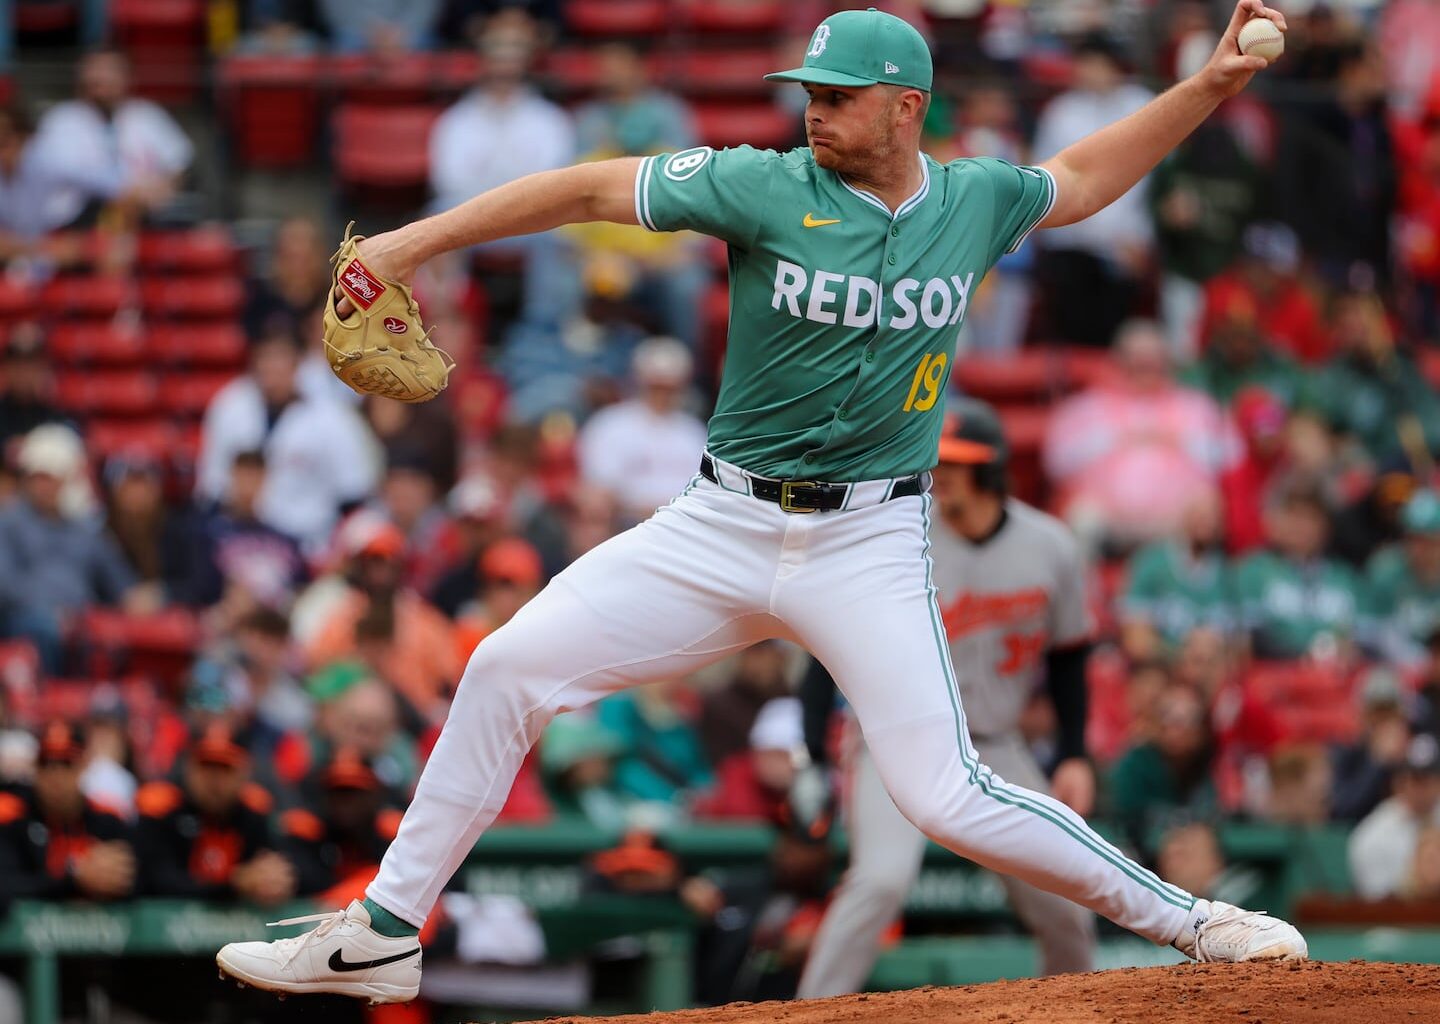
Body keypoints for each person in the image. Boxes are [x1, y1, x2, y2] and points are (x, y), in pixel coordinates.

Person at [217, 6, 1306, 1004]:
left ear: (906, 108)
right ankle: (383, 931)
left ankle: (1194, 922)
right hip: (722, 524)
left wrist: (1209, 83)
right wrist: (407, 244)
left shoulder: (972, 201)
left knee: (943, 794)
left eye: (837, 96)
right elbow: (590, 190)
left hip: (870, 537)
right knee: (505, 666)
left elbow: (1083, 176)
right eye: (809, 92)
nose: (813, 111)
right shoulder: (762, 184)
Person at [798, 402, 1096, 996]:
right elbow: (823, 651)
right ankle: (811, 1009)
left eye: (960, 463)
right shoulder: (899, 535)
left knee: (1065, 898)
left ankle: (1077, 1008)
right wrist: (811, 753)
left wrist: (1073, 752)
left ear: (994, 469)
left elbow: (1070, 658)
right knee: (880, 882)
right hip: (895, 740)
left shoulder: (1051, 546)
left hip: (995, 745)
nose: (944, 473)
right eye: (941, 461)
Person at [1043, 320, 1242, 550]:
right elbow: (1056, 462)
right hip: (1108, 515)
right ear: (1119, 361)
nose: (1145, 368)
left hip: (1177, 517)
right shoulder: (1087, 407)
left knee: (1207, 507)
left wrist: (1182, 442)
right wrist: (1112, 439)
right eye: (1137, 361)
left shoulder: (1196, 406)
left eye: (1153, 361)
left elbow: (1231, 457)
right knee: (1082, 518)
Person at [195, 330, 381, 554]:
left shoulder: (332, 417)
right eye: (266, 358)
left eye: (281, 358)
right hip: (241, 544)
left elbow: (354, 493)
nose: (273, 368)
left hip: (310, 545)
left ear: (298, 363)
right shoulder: (231, 406)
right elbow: (213, 487)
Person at [1032, 34, 1156, 349]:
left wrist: (1140, 237)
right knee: (1070, 339)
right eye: (1084, 64)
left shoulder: (1141, 106)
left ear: (1114, 67)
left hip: (1124, 248)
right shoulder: (1062, 112)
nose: (1089, 72)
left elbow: (1153, 181)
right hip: (1070, 245)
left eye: (1096, 64)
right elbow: (1044, 175)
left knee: (1114, 340)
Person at [137, 724, 295, 904]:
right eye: (206, 766)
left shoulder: (255, 813)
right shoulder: (162, 810)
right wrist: (234, 883)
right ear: (189, 770)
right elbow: (155, 880)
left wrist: (275, 881)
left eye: (225, 768)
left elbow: (288, 866)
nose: (214, 780)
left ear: (244, 774)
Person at [35, 49, 193, 220]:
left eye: (111, 70)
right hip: (77, 217)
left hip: (147, 216)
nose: (102, 77)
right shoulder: (61, 119)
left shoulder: (147, 114)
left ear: (128, 77)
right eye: (96, 69)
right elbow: (66, 171)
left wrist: (165, 186)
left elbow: (180, 163)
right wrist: (127, 191)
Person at [0, 722, 135, 905]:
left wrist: (115, 880)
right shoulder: (11, 817)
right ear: (34, 768)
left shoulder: (107, 819)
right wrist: (74, 880)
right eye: (46, 763)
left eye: (67, 763)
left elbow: (143, 880)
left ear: (84, 765)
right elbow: (7, 884)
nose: (57, 776)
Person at [577, 336, 709, 523]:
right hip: (626, 525)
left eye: (669, 387)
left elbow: (706, 494)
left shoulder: (694, 432)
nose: (662, 395)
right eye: (656, 386)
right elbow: (598, 494)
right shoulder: (610, 424)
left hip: (686, 525)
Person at [1349, 734, 1440, 900]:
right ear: (1399, 782)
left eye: (1431, 779)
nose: (1423, 788)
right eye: (1416, 780)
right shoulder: (1375, 833)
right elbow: (1375, 898)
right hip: (1398, 913)